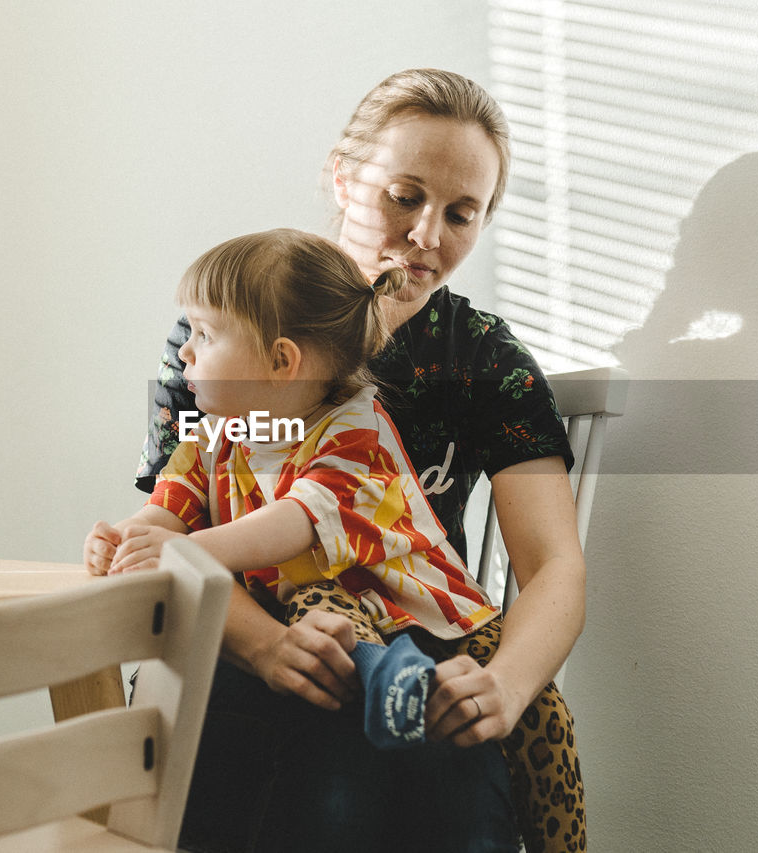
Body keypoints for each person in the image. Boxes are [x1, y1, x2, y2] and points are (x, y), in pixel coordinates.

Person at [86, 69, 587, 853]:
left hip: (408, 650)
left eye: (461, 213)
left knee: (407, 742)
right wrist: (263, 641)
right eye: (404, 195)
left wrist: (503, 686)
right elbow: (174, 518)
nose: (427, 234)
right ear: (343, 178)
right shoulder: (221, 330)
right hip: (229, 638)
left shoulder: (481, 356)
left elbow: (555, 567)